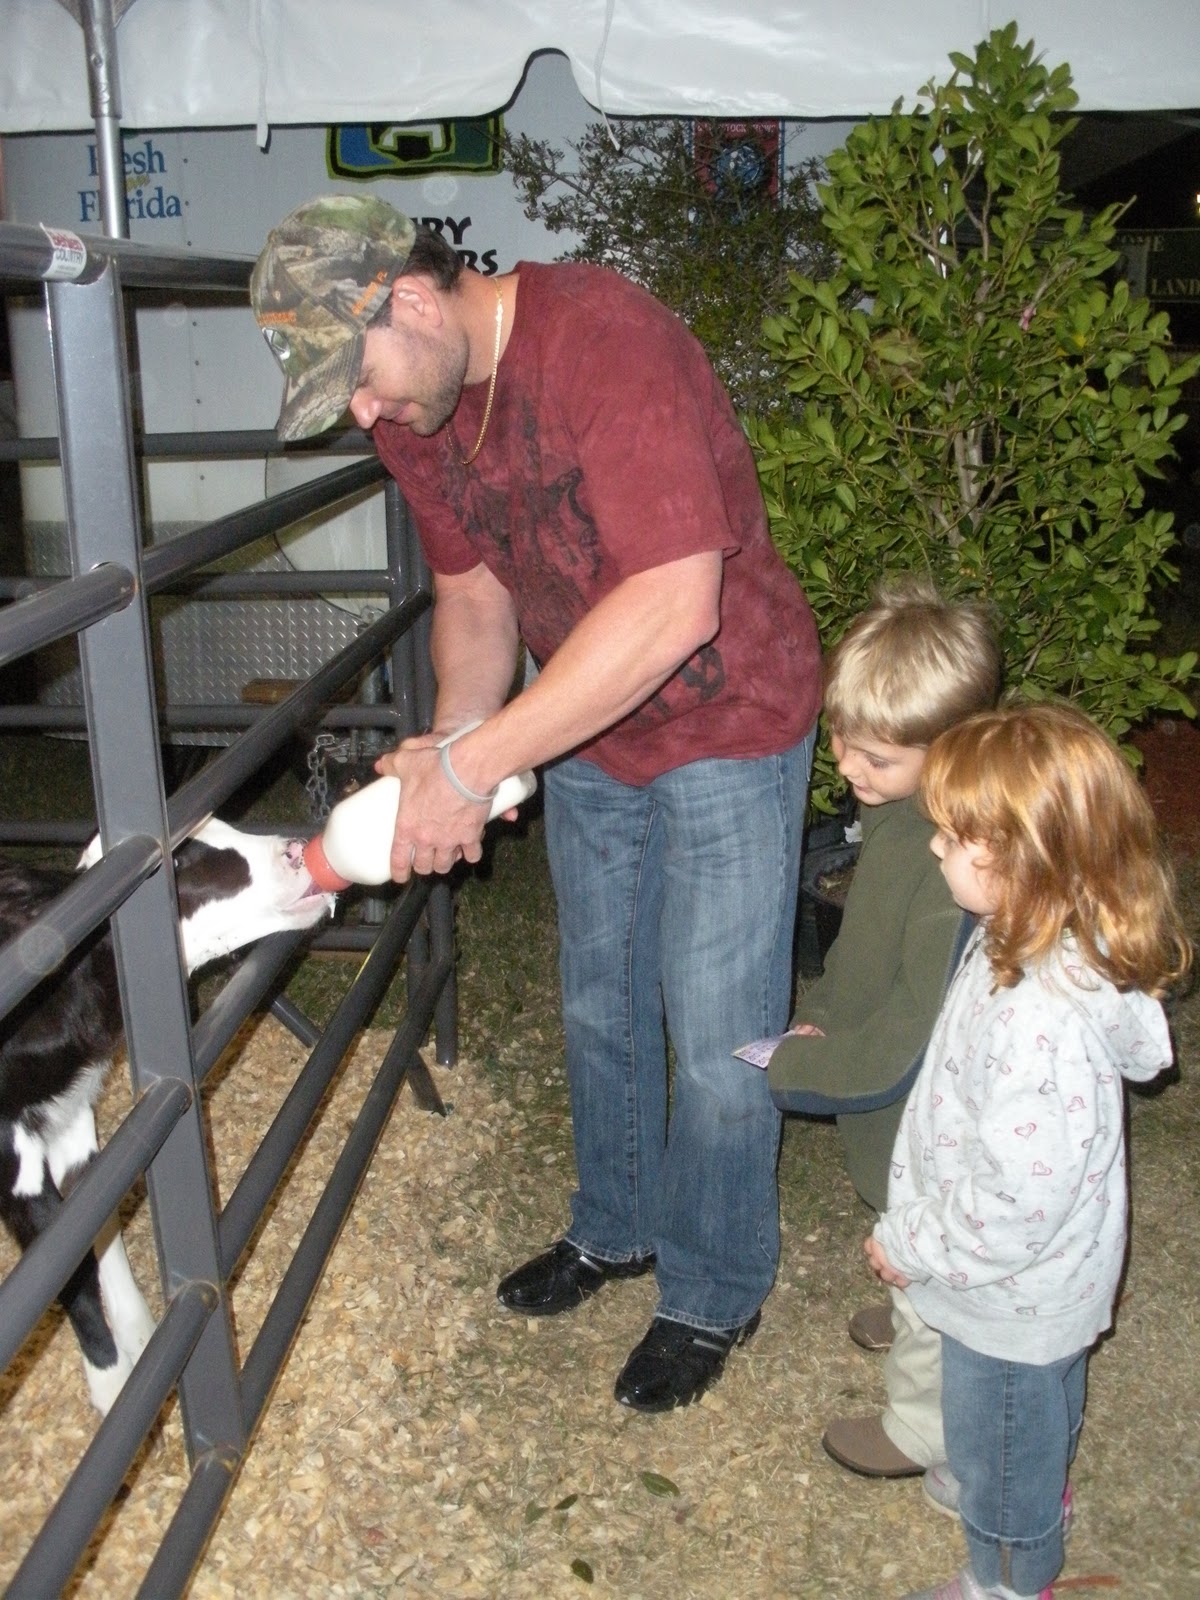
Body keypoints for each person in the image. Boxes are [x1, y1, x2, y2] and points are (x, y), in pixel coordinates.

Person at [250, 195, 822, 1411]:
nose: (362, 414)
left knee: (721, 1036)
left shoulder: (606, 342)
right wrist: (466, 739)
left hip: (732, 715)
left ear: (410, 298)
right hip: (587, 733)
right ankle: (615, 1229)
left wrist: (472, 765)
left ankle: (715, 1286)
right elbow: (471, 595)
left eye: (354, 380)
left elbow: (677, 603)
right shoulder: (424, 406)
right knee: (601, 1001)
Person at [868, 702, 1190, 1600]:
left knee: (1002, 1413)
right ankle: (1021, 1478)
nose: (935, 848)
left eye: (955, 835)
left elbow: (1013, 1205)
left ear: (1025, 860)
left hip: (1009, 1291)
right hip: (1039, 1281)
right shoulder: (1032, 937)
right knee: (1029, 1414)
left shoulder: (1040, 1021)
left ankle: (1009, 1573)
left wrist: (912, 1242)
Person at [766, 580, 1001, 1479]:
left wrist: (808, 1074)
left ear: (947, 754)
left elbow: (917, 1027)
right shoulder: (904, 821)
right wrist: (823, 1010)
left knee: (942, 1259)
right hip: (904, 1120)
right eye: (842, 741)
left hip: (934, 1126)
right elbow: (868, 958)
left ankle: (920, 1428)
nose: (849, 770)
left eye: (876, 758)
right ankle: (919, 1304)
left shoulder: (952, 865)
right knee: (921, 1250)